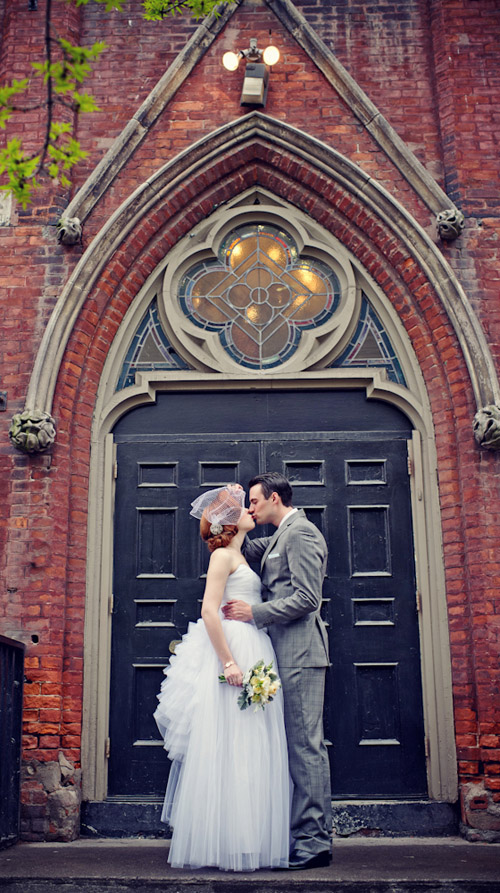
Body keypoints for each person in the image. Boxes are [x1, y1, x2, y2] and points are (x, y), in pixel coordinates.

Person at [153, 486, 290, 872]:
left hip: (254, 646)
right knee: (230, 743)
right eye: (240, 508)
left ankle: (248, 839)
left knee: (250, 744)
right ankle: (225, 841)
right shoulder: (221, 558)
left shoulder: (242, 554)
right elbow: (210, 612)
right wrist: (229, 662)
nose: (250, 510)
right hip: (234, 653)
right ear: (229, 523)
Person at [222, 472, 332, 870]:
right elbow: (242, 550)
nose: (252, 508)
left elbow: (307, 597)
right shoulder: (279, 536)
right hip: (281, 654)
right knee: (295, 748)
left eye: (254, 501)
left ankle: (315, 842)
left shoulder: (301, 534)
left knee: (306, 748)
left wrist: (256, 613)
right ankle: (300, 835)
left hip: (301, 654)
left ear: (273, 498)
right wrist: (228, 511)